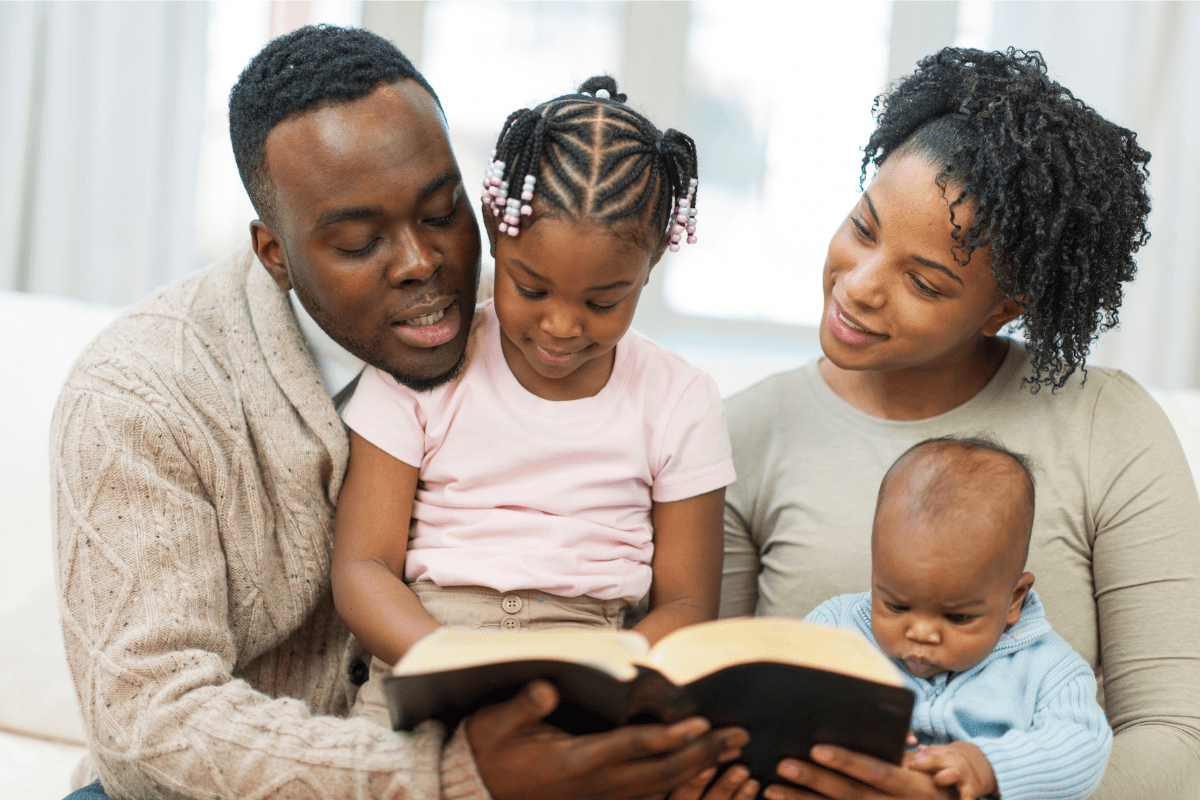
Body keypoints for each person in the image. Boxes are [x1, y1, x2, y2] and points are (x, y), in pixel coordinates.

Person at [50, 25, 747, 800]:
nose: (422, 263)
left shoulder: (534, 322)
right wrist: (449, 773)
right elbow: (149, 723)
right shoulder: (141, 392)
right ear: (274, 253)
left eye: (442, 212)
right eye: (358, 241)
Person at [718, 47, 1200, 799]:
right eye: (863, 228)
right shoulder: (744, 434)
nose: (860, 286)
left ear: (1005, 307)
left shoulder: (1109, 427)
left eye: (923, 281)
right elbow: (709, 704)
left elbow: (1180, 741)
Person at [334, 75, 733, 727]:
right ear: (495, 229)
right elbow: (362, 566)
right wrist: (444, 661)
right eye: (532, 288)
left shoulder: (681, 398)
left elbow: (688, 606)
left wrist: (605, 673)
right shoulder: (424, 364)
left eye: (604, 301)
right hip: (429, 652)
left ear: (654, 262)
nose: (563, 326)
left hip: (596, 668)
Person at [807, 437, 1111, 800]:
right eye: (897, 606)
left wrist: (988, 765)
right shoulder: (836, 627)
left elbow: (1084, 747)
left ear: (1013, 600)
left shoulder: (1047, 671)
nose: (920, 633)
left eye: (957, 617)